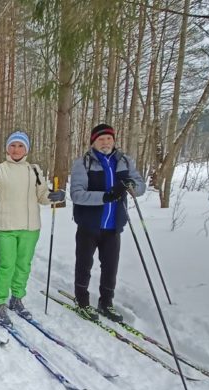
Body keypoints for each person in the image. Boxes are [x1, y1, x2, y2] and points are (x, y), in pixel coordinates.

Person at [0, 131, 65, 326]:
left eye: (20, 146)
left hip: (30, 227)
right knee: (7, 265)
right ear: (7, 148)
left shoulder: (34, 170)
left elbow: (42, 195)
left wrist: (55, 196)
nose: (16, 149)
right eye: (13, 145)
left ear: (26, 149)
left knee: (23, 265)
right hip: (5, 227)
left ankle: (17, 298)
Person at [70, 123, 146, 322]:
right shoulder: (84, 163)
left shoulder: (124, 161)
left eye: (108, 139)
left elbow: (140, 186)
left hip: (114, 225)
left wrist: (131, 186)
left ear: (114, 140)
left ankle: (106, 303)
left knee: (110, 266)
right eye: (100, 139)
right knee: (84, 264)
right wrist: (107, 196)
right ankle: (82, 301)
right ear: (93, 142)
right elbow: (77, 195)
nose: (105, 142)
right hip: (89, 224)